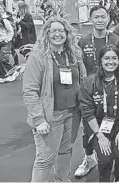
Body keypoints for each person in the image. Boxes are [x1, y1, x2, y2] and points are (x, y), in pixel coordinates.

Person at [22, 16, 86, 182]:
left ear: (67, 33)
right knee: (45, 160)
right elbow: (29, 91)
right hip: (50, 117)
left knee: (66, 152)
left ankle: (62, 180)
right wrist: (38, 119)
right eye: (53, 31)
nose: (58, 34)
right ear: (47, 34)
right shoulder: (38, 57)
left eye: (61, 30)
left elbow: (82, 81)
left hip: (73, 113)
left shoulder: (74, 54)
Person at [74, 5, 119, 178]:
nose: (100, 20)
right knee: (89, 127)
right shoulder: (83, 41)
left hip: (112, 89)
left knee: (116, 121)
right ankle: (89, 158)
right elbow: (80, 68)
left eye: (103, 17)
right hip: (91, 91)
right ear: (91, 19)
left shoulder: (116, 39)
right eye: (96, 17)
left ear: (108, 18)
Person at [79, 45, 119, 182]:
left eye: (114, 58)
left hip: (118, 126)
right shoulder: (89, 82)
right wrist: (99, 135)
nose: (111, 62)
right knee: (105, 158)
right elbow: (87, 112)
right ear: (100, 61)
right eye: (106, 58)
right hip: (98, 128)